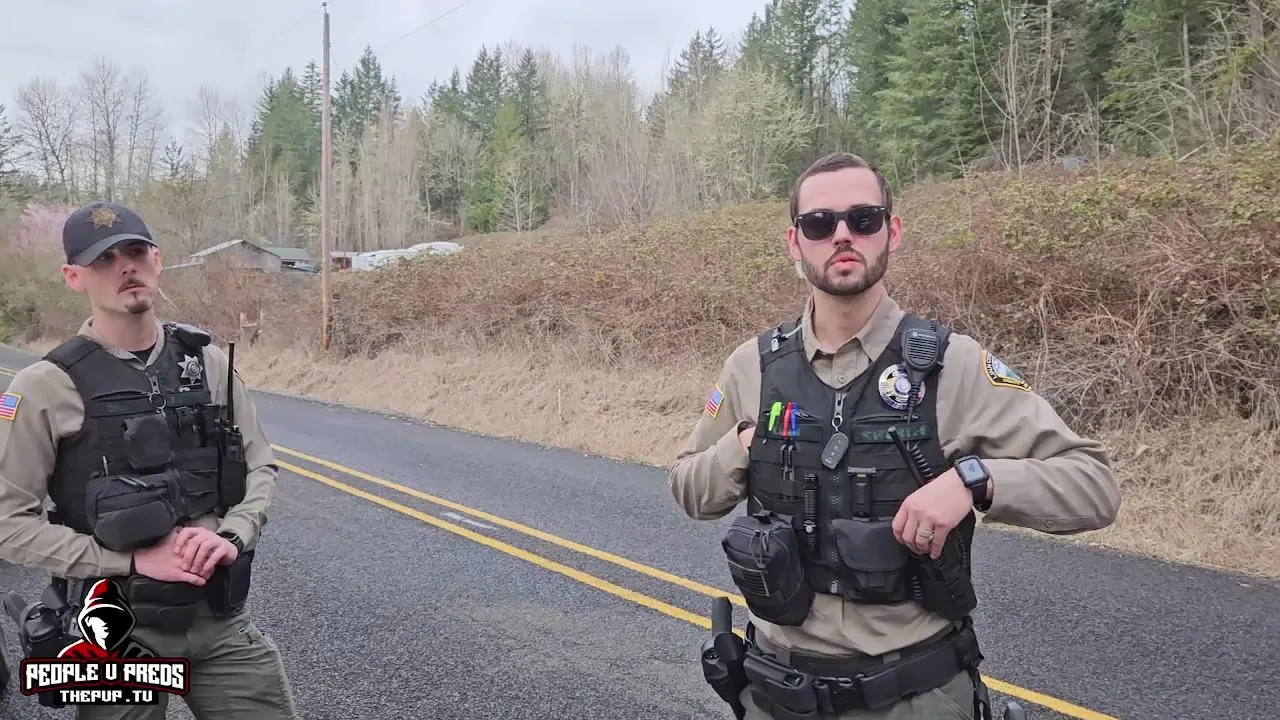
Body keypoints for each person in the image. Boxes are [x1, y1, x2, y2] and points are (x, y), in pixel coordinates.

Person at [669, 153, 1121, 720]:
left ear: (893, 231)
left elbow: (1093, 486)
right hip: (774, 693)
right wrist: (741, 444)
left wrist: (972, 481)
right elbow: (688, 488)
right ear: (794, 242)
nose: (842, 235)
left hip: (912, 698)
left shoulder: (954, 366)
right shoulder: (751, 368)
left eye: (863, 218)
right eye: (819, 223)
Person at [0, 201, 297, 719]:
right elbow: (8, 524)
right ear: (74, 276)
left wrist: (232, 535)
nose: (125, 267)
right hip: (115, 635)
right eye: (104, 259)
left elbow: (261, 468)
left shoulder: (206, 362)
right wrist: (131, 561)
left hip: (218, 619)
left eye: (135, 252)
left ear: (157, 261)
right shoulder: (43, 387)